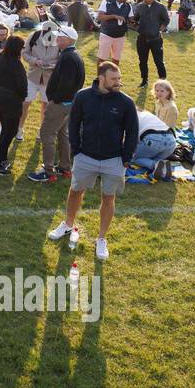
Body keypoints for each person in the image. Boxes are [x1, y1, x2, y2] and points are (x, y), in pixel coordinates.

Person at [46, 61, 137, 261]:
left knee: (108, 197)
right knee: (76, 191)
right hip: (85, 157)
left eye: (119, 78)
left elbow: (132, 133)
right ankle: (68, 225)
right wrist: (77, 151)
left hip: (114, 159)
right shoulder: (83, 97)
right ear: (101, 78)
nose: (118, 82)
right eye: (114, 79)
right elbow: (74, 124)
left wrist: (126, 158)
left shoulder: (125, 102)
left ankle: (102, 239)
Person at [28, 25, 82, 183]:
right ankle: (65, 168)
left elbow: (65, 83)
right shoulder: (72, 55)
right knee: (62, 134)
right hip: (68, 103)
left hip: (61, 103)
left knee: (47, 133)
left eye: (60, 37)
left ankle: (48, 171)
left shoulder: (68, 57)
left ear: (68, 40)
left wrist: (54, 99)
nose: (56, 39)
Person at [0, 35, 27, 174]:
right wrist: (22, 97)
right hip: (11, 101)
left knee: (6, 129)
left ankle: (1, 158)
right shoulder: (16, 64)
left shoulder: (0, 58)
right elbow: (22, 86)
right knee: (10, 131)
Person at [131, 0, 170, 87]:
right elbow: (136, 19)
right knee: (142, 61)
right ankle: (144, 80)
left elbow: (166, 20)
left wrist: (161, 28)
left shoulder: (160, 7)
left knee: (159, 61)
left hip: (155, 39)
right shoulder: (140, 6)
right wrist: (135, 25)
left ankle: (163, 81)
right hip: (142, 38)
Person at [131, 108, 177, 179]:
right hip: (171, 141)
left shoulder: (130, 117)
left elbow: (131, 139)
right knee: (153, 158)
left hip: (153, 140)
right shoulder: (147, 114)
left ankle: (155, 165)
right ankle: (162, 169)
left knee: (134, 157)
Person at [96, 0, 132, 66]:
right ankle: (99, 77)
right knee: (102, 58)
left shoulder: (128, 6)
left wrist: (135, 21)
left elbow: (131, 19)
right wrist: (114, 16)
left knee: (116, 59)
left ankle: (115, 77)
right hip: (106, 34)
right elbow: (100, 17)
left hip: (120, 36)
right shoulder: (106, 2)